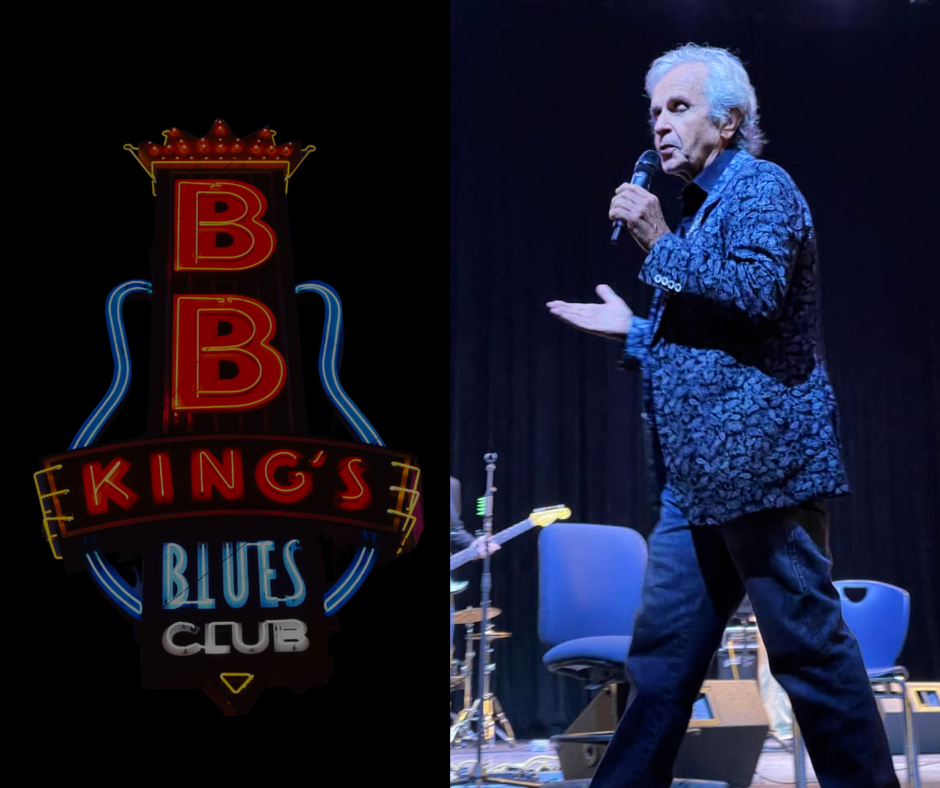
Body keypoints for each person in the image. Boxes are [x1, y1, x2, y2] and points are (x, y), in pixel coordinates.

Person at [546, 44, 898, 787]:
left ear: (730, 120)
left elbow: (757, 295)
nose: (659, 126)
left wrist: (659, 243)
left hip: (764, 471)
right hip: (698, 483)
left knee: (810, 656)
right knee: (662, 667)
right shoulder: (702, 209)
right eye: (653, 113)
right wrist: (635, 333)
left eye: (678, 108)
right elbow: (716, 340)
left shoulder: (761, 189)